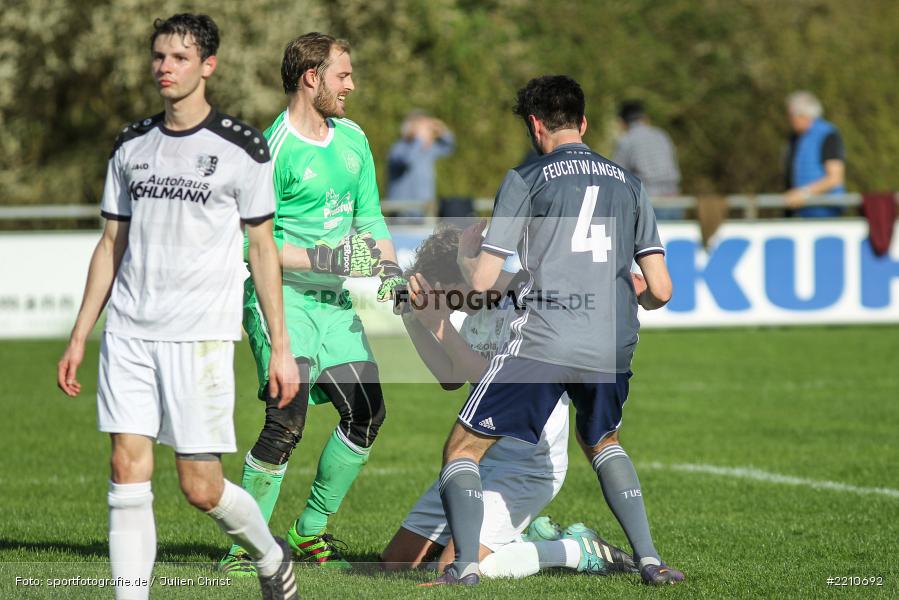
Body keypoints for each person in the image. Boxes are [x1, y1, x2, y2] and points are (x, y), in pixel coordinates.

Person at [56, 14, 300, 600]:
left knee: (200, 488)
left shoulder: (243, 148)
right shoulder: (130, 144)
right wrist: (79, 334)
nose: (166, 68)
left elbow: (262, 248)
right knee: (126, 469)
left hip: (202, 338)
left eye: (180, 58)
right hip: (130, 333)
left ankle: (271, 557)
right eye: (159, 57)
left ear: (208, 66)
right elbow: (110, 243)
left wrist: (281, 348)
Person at [425, 75, 682, 587]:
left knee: (461, 450)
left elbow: (479, 284)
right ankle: (650, 561)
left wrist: (461, 253)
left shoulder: (527, 178)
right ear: (583, 123)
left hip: (542, 339)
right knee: (603, 441)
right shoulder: (629, 184)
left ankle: (466, 569)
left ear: (535, 125)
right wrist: (631, 287)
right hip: (610, 341)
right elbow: (661, 290)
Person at [217, 32, 405, 575]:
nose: (351, 84)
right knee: (287, 420)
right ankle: (245, 549)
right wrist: (329, 259)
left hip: (333, 305)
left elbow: (368, 219)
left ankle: (309, 531)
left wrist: (389, 272)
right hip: (282, 303)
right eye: (342, 75)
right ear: (311, 78)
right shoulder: (270, 150)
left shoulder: (353, 139)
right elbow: (262, 245)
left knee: (367, 412)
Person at [381, 226, 637, 579]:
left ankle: (573, 549)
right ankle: (511, 535)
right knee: (395, 563)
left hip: (527, 469)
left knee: (463, 569)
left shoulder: (521, 305)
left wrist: (440, 326)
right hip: (476, 460)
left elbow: (493, 379)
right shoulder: (474, 315)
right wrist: (413, 320)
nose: (450, 306)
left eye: (451, 295)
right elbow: (451, 376)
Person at [613, 100, 682, 219]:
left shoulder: (626, 140)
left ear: (623, 122)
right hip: (674, 199)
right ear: (645, 118)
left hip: (649, 202)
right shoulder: (662, 135)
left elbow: (615, 175)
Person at [783, 91, 846, 217]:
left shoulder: (828, 135)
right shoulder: (795, 138)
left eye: (791, 116)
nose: (789, 120)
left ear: (803, 115)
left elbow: (835, 178)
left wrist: (803, 193)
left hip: (825, 212)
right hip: (802, 212)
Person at [386, 111, 456, 217]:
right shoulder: (398, 148)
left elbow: (449, 148)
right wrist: (419, 138)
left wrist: (443, 130)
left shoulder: (427, 150)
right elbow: (408, 160)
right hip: (402, 213)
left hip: (424, 211)